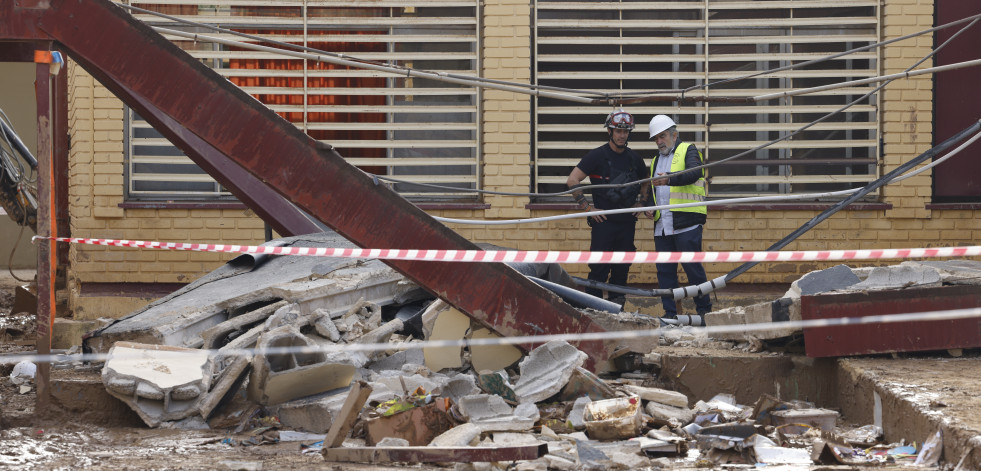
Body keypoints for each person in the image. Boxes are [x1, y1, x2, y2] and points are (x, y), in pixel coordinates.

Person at [566, 109, 649, 307]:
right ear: (609, 131)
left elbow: (646, 182)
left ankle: (616, 309)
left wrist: (642, 203)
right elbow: (572, 180)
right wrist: (587, 208)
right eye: (618, 131)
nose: (622, 135)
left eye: (626, 131)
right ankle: (590, 309)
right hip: (603, 224)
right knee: (598, 268)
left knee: (622, 268)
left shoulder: (635, 159)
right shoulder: (596, 156)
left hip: (627, 223)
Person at [644, 114, 712, 319]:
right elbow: (654, 191)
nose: (658, 142)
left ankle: (705, 312)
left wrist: (670, 180)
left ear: (674, 134)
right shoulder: (656, 160)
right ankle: (670, 314)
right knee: (665, 272)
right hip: (662, 225)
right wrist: (649, 207)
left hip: (686, 223)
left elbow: (694, 172)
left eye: (662, 136)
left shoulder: (688, 150)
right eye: (655, 138)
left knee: (693, 270)